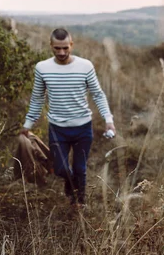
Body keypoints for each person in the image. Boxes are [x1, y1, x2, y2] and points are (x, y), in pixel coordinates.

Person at [20, 28, 116, 206]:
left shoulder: (85, 66)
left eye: (65, 48)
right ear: (51, 46)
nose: (62, 52)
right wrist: (28, 124)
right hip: (58, 129)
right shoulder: (42, 68)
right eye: (57, 48)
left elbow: (98, 94)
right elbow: (37, 98)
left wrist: (108, 120)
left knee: (80, 168)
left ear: (71, 45)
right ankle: (70, 184)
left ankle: (79, 203)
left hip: (83, 128)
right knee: (60, 168)